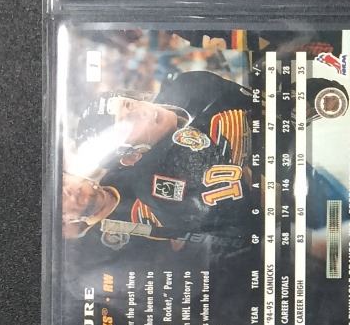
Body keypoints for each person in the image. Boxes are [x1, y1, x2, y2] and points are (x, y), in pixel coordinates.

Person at [63, 70, 255, 249]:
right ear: (131, 156)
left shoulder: (188, 85)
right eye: (127, 124)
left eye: (128, 105)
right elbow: (245, 217)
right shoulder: (157, 186)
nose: (142, 113)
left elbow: (258, 102)